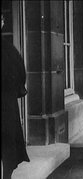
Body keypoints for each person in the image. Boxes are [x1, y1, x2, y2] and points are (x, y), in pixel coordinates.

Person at [1, 13, 30, 178]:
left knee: (8, 144)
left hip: (5, 104)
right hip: (6, 102)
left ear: (3, 23)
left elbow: (20, 73)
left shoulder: (8, 48)